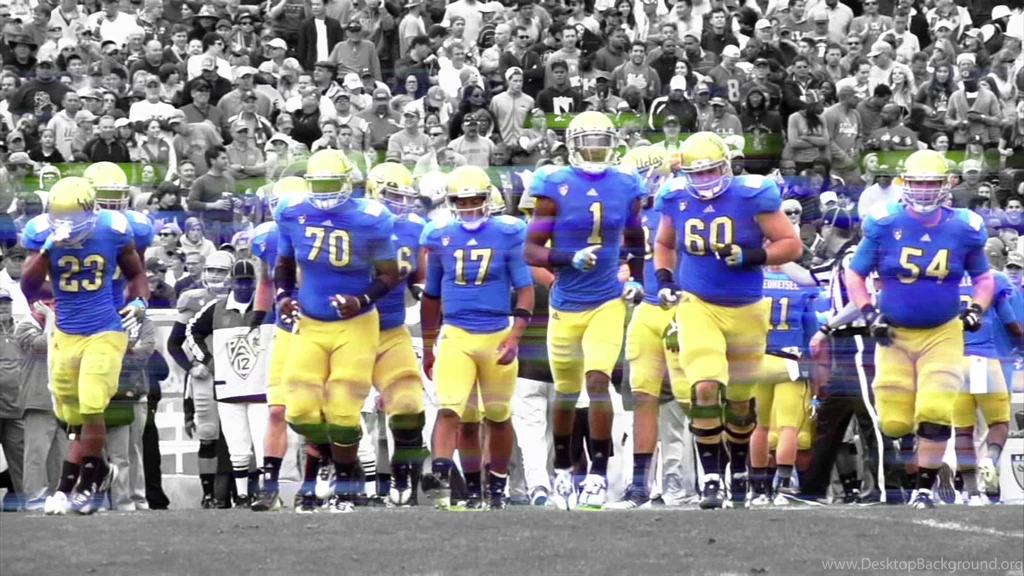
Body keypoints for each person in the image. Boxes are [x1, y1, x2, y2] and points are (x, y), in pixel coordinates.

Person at [652, 131, 802, 509]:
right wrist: (665, 280)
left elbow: (790, 245)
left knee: (739, 401)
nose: (704, 180)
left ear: (726, 167)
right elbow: (664, 244)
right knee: (705, 385)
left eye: (711, 171)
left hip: (747, 307)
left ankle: (737, 470)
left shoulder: (752, 194)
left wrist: (752, 256)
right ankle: (711, 478)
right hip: (698, 303)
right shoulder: (674, 196)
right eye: (696, 173)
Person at [846, 149, 995, 509]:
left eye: (932, 183)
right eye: (918, 182)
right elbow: (855, 273)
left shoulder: (964, 226)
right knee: (894, 422)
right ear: (906, 184)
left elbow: (984, 277)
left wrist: (977, 308)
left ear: (946, 185)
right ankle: (917, 453)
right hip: (894, 334)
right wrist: (868, 312)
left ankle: (924, 489)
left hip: (942, 331)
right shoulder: (884, 222)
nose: (925, 190)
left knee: (935, 409)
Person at [523, 111, 647, 510]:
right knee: (565, 391)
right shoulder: (553, 183)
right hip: (565, 303)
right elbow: (531, 250)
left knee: (598, 381)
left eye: (601, 141)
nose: (595, 149)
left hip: (607, 299)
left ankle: (597, 473)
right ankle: (562, 468)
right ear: (573, 145)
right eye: (588, 141)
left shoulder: (626, 183)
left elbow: (635, 237)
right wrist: (567, 259)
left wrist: (636, 277)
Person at [273, 150, 401, 513]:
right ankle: (342, 460)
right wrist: (283, 295)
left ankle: (344, 484)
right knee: (299, 411)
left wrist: (361, 299)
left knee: (343, 410)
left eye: (332, 183)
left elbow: (389, 274)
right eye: (319, 184)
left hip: (356, 324)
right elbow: (284, 263)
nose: (325, 192)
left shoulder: (370, 218)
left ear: (347, 183)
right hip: (310, 323)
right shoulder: (291, 211)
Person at [22, 177, 149, 515]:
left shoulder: (112, 228)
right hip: (66, 333)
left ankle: (88, 482)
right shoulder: (41, 232)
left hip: (105, 328)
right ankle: (98, 470)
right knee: (70, 414)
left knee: (92, 404)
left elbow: (136, 274)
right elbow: (28, 285)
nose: (66, 224)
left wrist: (140, 303)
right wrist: (48, 249)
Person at [421, 165, 534, 510]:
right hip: (455, 333)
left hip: (497, 332)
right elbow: (431, 296)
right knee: (454, 411)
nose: (469, 206)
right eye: (462, 200)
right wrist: (428, 346)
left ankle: (496, 487)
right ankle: (447, 476)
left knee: (498, 415)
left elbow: (525, 290)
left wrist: (515, 337)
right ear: (451, 202)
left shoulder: (508, 234)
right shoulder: (439, 236)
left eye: (474, 199)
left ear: (487, 199)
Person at [604, 146, 687, 510]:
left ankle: (717, 480)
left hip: (685, 307)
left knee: (697, 397)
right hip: (647, 310)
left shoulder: (679, 207)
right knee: (643, 398)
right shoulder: (627, 216)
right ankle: (640, 486)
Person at [364, 163, 430, 507]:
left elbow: (420, 277)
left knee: (408, 404)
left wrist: (422, 288)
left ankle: (404, 480)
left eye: (405, 196)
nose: (400, 204)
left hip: (391, 327)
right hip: (351, 328)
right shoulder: (355, 222)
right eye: (393, 195)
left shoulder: (415, 227)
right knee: (341, 406)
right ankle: (344, 481)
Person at [184, 258, 267, 508]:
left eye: (248, 281)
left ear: (255, 282)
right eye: (240, 281)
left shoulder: (267, 307)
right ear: (231, 281)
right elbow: (191, 332)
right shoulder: (216, 308)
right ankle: (241, 496)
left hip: (262, 387)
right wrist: (208, 361)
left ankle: (264, 493)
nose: (244, 286)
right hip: (228, 388)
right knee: (237, 446)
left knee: (262, 445)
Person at [248, 176, 306, 512]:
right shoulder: (267, 237)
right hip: (285, 330)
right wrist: (259, 314)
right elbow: (266, 280)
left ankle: (326, 480)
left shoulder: (321, 234)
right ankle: (269, 487)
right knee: (277, 409)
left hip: (319, 328)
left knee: (319, 411)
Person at [164, 250, 234, 507]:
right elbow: (174, 344)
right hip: (206, 375)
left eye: (220, 271)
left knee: (238, 435)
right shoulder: (193, 299)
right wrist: (192, 366)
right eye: (211, 270)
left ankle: (237, 492)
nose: (214, 276)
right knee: (207, 433)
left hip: (237, 374)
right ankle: (209, 494)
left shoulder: (242, 299)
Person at [748, 268, 820, 506]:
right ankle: (784, 487)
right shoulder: (801, 285)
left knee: (760, 427)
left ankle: (758, 488)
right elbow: (811, 331)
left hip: (758, 360)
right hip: (790, 361)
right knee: (789, 427)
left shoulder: (755, 281)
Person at [952, 268, 1021, 504]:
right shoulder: (992, 278)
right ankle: (990, 459)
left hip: (954, 362)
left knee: (962, 430)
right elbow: (1012, 324)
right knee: (999, 423)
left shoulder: (943, 277)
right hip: (983, 360)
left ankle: (971, 492)